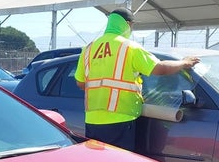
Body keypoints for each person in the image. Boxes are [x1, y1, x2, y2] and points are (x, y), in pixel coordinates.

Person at [75, 8, 200, 151]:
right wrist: (184, 63)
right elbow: (159, 68)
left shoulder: (88, 49)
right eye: (132, 25)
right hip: (120, 119)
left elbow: (81, 83)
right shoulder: (129, 47)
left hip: (92, 120)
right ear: (127, 24)